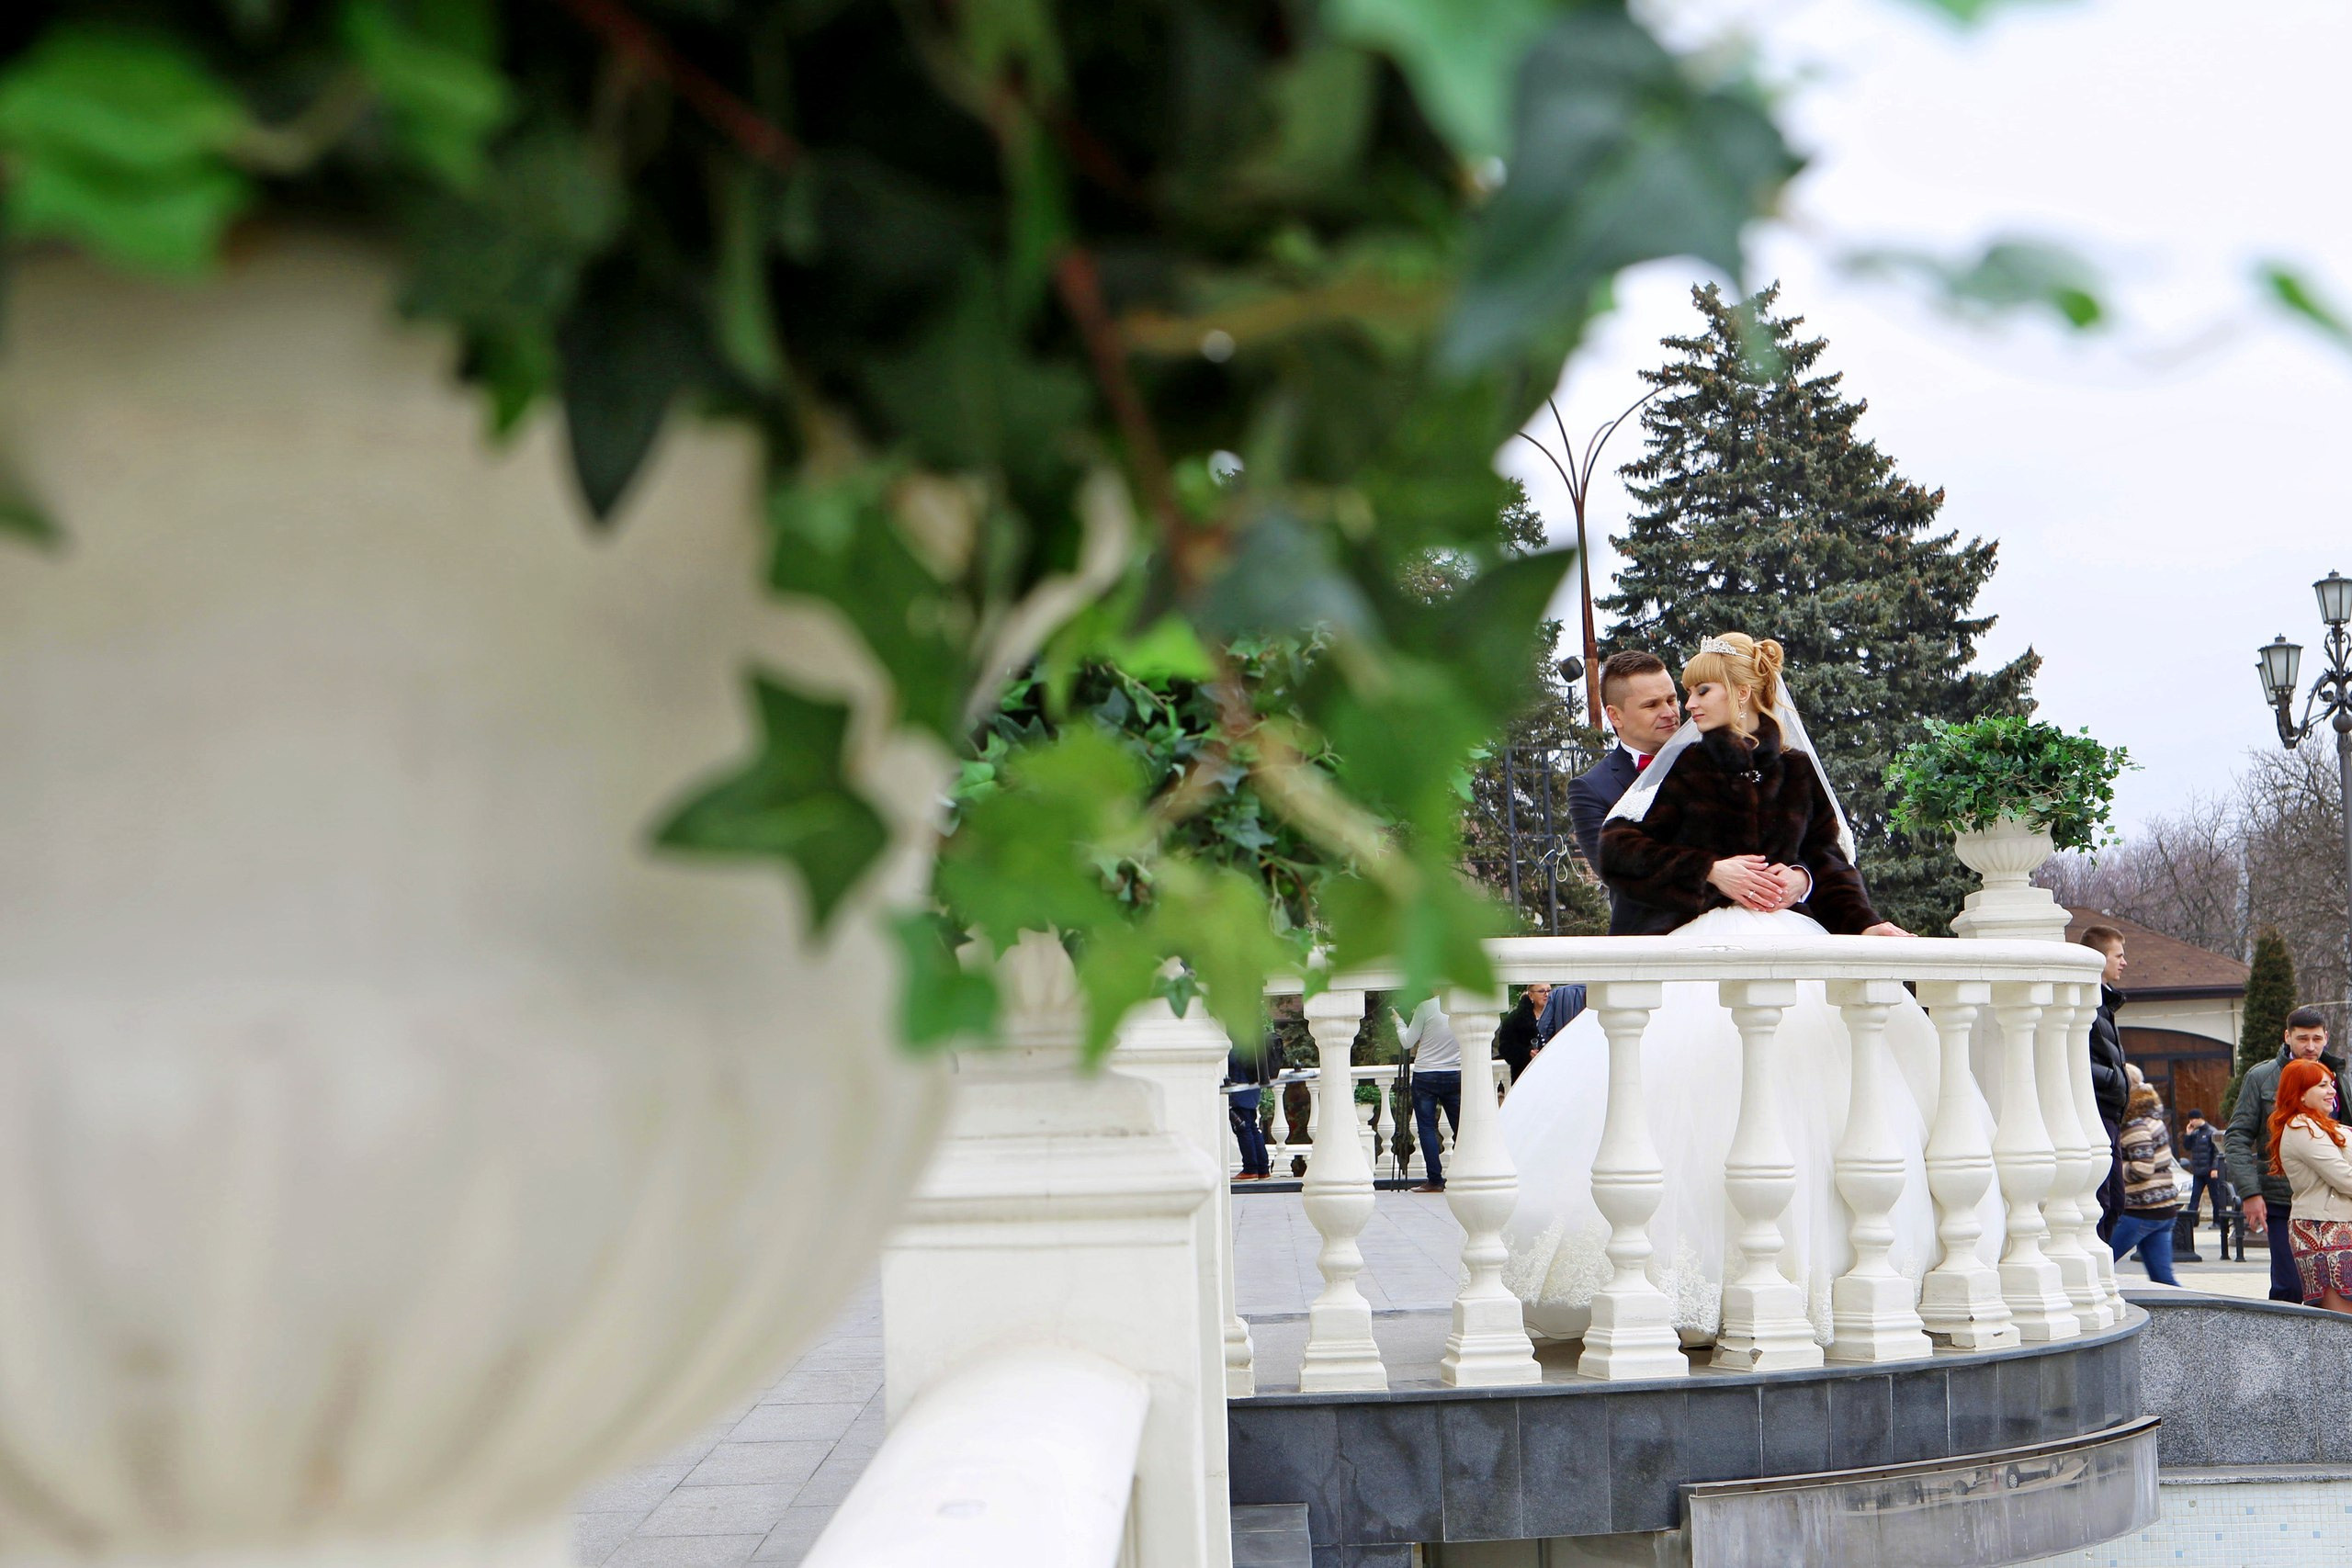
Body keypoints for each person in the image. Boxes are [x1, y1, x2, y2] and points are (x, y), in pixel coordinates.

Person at [1499, 632, 1989, 1346]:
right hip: (1703, 948)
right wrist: (1711, 871)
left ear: (1744, 692)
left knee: (1826, 1110)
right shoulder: (1685, 766)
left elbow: (1825, 858)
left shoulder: (1794, 769)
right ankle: (1696, 1285)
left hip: (1792, 946)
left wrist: (1840, 905)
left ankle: (1827, 1279)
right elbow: (1619, 850)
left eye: (1698, 690)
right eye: (1677, 693)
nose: (1684, 706)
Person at [2225, 1006, 2352, 1303]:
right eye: (2302, 1038)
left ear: (2326, 1038)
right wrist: (2249, 1192)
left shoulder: (2338, 1078)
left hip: (2339, 1210)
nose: (2310, 1046)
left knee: (2335, 1295)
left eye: (2317, 1039)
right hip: (2284, 1201)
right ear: (2287, 1036)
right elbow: (2237, 1136)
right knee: (2290, 1287)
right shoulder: (2262, 1077)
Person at [2269, 1058, 2352, 1314]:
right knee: (2341, 1327)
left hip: (2337, 1227)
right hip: (2324, 1232)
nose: (2331, 1091)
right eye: (2322, 1086)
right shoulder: (2303, 1126)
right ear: (2301, 1094)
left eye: (2331, 1085)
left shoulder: (2327, 1126)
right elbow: (2344, 1178)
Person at [2078, 927, 2131, 1241]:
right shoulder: (2089, 1001)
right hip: (2098, 1111)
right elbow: (2078, 1057)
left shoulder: (2104, 1002)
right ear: (2100, 959)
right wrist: (2113, 1079)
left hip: (2110, 1112)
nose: (2124, 962)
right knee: (2104, 1200)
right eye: (2118, 955)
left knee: (2114, 1201)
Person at [2108, 1082, 2183, 1284]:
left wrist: (2113, 1167)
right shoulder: (2152, 1120)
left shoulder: (2134, 1126)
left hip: (2141, 1210)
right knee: (2163, 1280)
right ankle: (2189, 1310)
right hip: (2163, 1209)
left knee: (2098, 1265)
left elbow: (2142, 1169)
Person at [1396, 996, 1461, 1192]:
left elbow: (1408, 1041)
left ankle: (1435, 1179)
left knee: (1426, 1127)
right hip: (1455, 1072)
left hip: (1426, 1074)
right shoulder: (1463, 1003)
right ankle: (1466, 1171)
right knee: (1462, 1127)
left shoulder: (1426, 1007)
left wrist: (1398, 1022)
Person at [1227, 1042, 1272, 1181]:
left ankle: (1251, 1169)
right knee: (1252, 1128)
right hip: (1252, 1085)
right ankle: (1263, 1169)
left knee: (1243, 1128)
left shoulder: (1238, 1035)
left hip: (1240, 1087)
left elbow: (1232, 1058)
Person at [1493, 981, 1551, 1084]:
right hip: (1526, 1074)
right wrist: (1527, 1053)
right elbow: (1505, 1048)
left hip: (1551, 1072)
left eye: (1549, 990)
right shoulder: (1515, 1019)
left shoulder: (1557, 1014)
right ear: (1531, 995)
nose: (1546, 994)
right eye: (1541, 991)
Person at [2180, 1113, 2223, 1229]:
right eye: (2190, 1119)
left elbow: (2216, 1152)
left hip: (2210, 1171)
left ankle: (2217, 1222)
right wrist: (2188, 1134)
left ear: (2200, 1119)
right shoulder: (2195, 1133)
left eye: (2193, 1119)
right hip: (2198, 1171)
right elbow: (2187, 1147)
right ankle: (2190, 1223)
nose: (2192, 1122)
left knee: (2215, 1197)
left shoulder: (2211, 1132)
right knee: (2194, 1197)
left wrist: (2215, 1168)